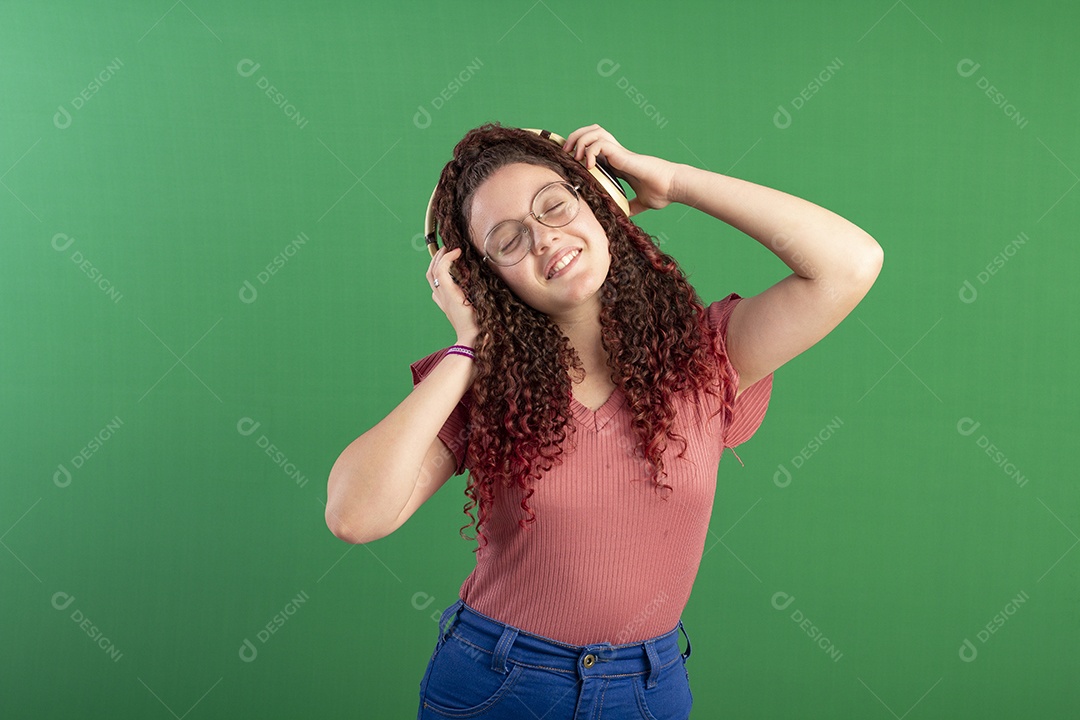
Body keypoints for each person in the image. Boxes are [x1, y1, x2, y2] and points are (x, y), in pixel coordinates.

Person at [325, 123, 883, 719]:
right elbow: (356, 517)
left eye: (555, 206)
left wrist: (672, 181)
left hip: (647, 688)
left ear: (598, 201)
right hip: (501, 683)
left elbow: (850, 263)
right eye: (508, 241)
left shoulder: (707, 355)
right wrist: (467, 345)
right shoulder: (480, 383)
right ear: (484, 279)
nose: (544, 240)